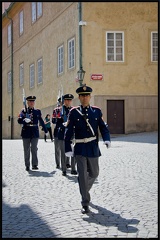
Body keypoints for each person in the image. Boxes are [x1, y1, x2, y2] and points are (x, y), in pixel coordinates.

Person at [64, 84, 111, 214]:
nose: (85, 98)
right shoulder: (74, 112)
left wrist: (107, 138)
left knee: (95, 173)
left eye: (87, 95)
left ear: (90, 97)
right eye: (82, 96)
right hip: (79, 148)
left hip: (92, 147)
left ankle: (85, 189)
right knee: (82, 176)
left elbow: (103, 127)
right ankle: (85, 202)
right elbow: (68, 131)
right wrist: (68, 147)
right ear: (79, 97)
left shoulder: (96, 111)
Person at [17, 95, 48, 171]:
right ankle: (27, 165)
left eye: (33, 101)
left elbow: (41, 121)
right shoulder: (23, 111)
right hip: (26, 131)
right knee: (26, 149)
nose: (31, 103)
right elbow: (19, 120)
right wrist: (24, 120)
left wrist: (46, 130)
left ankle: (34, 164)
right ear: (27, 102)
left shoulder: (37, 111)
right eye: (30, 101)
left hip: (34, 132)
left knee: (34, 148)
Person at [57, 94, 77, 176]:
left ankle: (73, 168)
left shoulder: (74, 110)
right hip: (62, 134)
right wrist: (63, 124)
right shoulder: (59, 110)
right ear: (64, 101)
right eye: (66, 100)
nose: (68, 102)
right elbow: (57, 122)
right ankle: (64, 169)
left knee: (73, 152)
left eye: (70, 100)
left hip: (72, 134)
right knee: (63, 152)